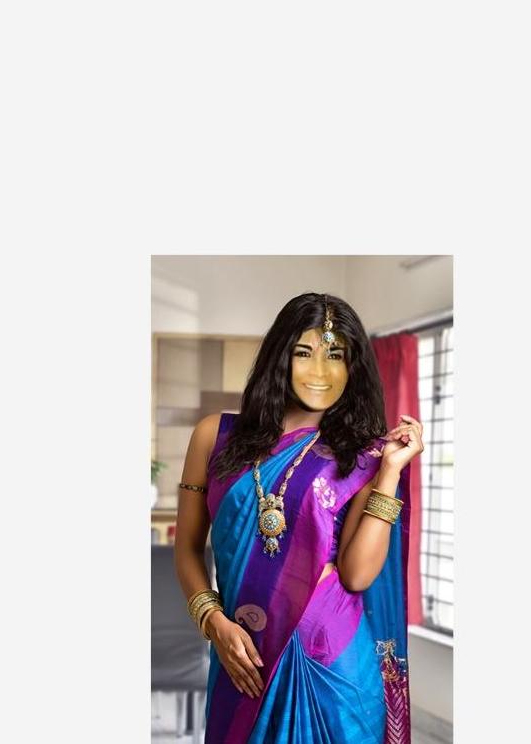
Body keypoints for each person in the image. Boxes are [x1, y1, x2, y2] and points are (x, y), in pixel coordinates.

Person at [173, 292, 423, 744]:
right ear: (280, 356)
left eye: (335, 355)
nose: (320, 371)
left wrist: (388, 474)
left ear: (353, 366)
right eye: (304, 352)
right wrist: (213, 621)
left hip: (332, 666)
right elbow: (188, 548)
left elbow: (357, 573)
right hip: (242, 658)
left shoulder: (362, 455)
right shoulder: (214, 436)